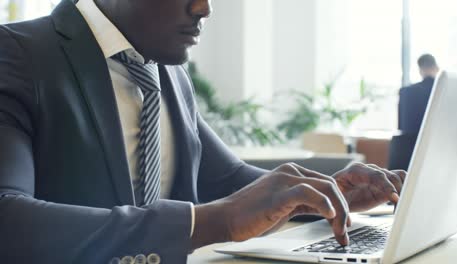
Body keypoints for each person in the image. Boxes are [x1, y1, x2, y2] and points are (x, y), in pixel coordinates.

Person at [0, 0, 405, 263]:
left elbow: (226, 179)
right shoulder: (17, 52)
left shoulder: (167, 69)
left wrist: (320, 195)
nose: (204, 7)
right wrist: (205, 224)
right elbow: (8, 215)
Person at [389, 54, 439, 170]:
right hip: (433, 150)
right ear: (436, 67)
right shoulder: (442, 90)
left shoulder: (405, 92)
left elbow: (401, 125)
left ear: (420, 70)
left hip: (408, 154)